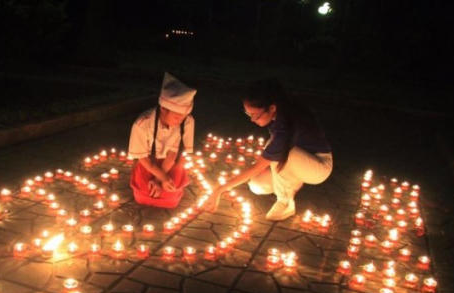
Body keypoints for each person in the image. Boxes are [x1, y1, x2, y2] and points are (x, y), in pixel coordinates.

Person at [203, 78, 333, 220]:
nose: (252, 120)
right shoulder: (279, 115)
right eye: (248, 114)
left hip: (318, 167)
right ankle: (292, 183)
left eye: (255, 115)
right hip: (297, 162)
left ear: (272, 108)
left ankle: (285, 203)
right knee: (257, 185)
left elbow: (259, 165)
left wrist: (219, 190)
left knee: (278, 151)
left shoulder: (287, 124)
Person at [129, 72, 196, 208]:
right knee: (144, 194)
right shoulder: (142, 124)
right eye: (177, 117)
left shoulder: (188, 122)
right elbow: (142, 158)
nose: (180, 121)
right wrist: (162, 177)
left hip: (172, 163)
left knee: (170, 196)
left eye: (183, 117)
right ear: (164, 109)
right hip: (149, 163)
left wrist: (160, 180)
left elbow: (174, 155)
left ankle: (170, 188)